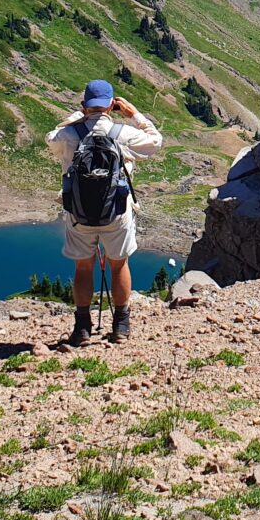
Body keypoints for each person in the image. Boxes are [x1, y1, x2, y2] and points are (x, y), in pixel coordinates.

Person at [46, 80, 163, 346]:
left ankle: (82, 328)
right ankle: (121, 325)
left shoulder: (68, 135)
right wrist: (134, 116)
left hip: (78, 214)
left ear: (84, 106)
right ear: (112, 105)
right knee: (119, 263)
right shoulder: (123, 133)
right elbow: (156, 141)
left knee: (83, 267)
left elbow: (50, 137)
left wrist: (77, 117)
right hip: (117, 211)